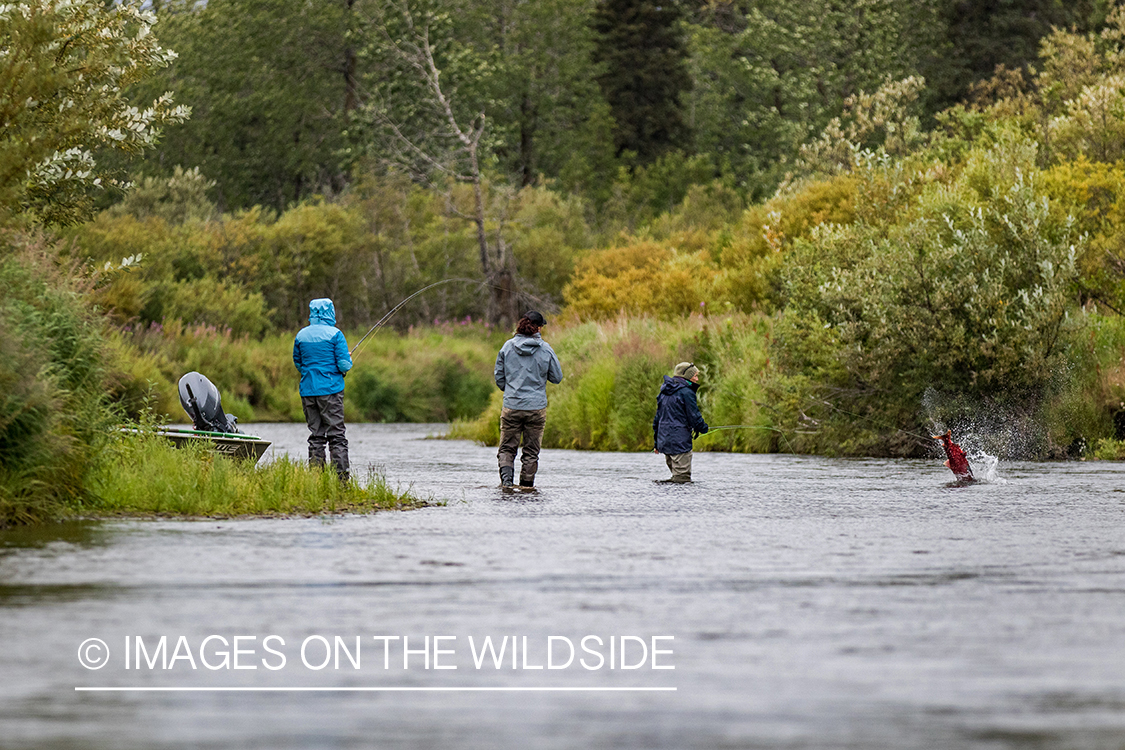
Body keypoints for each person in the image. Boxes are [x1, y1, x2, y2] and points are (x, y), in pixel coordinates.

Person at [494, 310, 563, 488]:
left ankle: (507, 486)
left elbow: (499, 377)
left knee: (507, 448)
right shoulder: (546, 349)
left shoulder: (507, 347)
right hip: (536, 408)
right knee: (531, 452)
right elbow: (557, 377)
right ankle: (527, 488)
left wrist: (511, 391)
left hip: (512, 405)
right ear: (538, 328)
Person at [293, 298, 353, 481]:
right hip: (331, 391)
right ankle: (341, 481)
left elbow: (298, 363)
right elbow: (344, 365)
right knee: (337, 436)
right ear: (330, 311)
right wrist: (347, 360)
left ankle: (317, 480)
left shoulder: (301, 335)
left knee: (316, 436)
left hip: (308, 391)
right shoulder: (336, 334)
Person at [653, 362, 709, 483]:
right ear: (687, 376)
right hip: (680, 443)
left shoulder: (664, 391)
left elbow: (657, 419)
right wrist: (703, 428)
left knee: (675, 481)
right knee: (682, 480)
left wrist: (657, 443)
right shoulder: (686, 392)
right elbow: (694, 416)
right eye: (695, 376)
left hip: (665, 442)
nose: (697, 379)